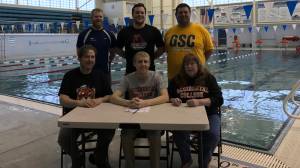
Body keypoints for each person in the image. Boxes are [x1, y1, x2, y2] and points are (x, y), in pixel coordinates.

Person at [57, 45, 115, 168]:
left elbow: (110, 96)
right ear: (79, 58)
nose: (90, 60)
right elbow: (63, 99)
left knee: (110, 129)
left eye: (92, 57)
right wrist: (78, 103)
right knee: (63, 138)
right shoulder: (70, 76)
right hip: (74, 120)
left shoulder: (100, 75)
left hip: (97, 118)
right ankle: (78, 158)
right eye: (86, 57)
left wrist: (100, 99)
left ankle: (99, 157)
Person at [110, 51, 169, 168]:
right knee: (126, 136)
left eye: (146, 62)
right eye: (140, 62)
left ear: (150, 63)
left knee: (155, 136)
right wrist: (128, 103)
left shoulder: (156, 76)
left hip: (152, 118)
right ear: (134, 64)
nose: (143, 64)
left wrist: (145, 103)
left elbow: (165, 97)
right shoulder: (127, 79)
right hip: (134, 118)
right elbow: (113, 97)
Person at [168, 54, 223, 168]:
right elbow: (167, 96)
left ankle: (203, 162)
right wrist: (173, 99)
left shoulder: (208, 78)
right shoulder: (176, 80)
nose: (189, 66)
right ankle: (186, 160)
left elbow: (219, 99)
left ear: (198, 65)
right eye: (186, 64)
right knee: (178, 132)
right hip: (184, 116)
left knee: (213, 134)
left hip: (209, 114)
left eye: (192, 64)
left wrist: (200, 102)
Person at [164, 3, 214, 80]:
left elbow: (209, 49)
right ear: (176, 15)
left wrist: (199, 63)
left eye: (185, 12)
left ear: (190, 14)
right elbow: (168, 51)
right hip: (174, 77)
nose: (183, 14)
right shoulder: (169, 32)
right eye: (180, 12)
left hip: (196, 76)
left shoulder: (201, 30)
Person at [116, 3, 165, 74]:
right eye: (137, 12)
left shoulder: (154, 31)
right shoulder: (124, 32)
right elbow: (117, 49)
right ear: (132, 15)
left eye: (142, 13)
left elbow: (161, 48)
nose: (140, 14)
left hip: (149, 71)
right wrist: (128, 57)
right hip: (130, 72)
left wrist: (151, 58)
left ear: (145, 15)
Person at [77, 8, 116, 75]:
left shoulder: (109, 34)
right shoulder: (84, 34)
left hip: (104, 71)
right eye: (96, 17)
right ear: (91, 18)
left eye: (100, 17)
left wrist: (108, 61)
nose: (98, 18)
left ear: (103, 18)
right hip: (88, 71)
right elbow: (79, 52)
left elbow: (113, 51)